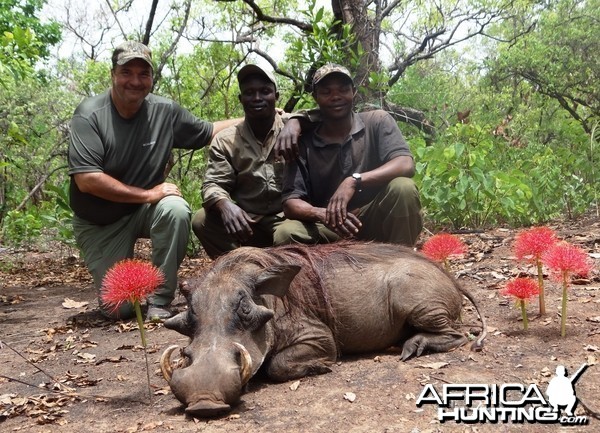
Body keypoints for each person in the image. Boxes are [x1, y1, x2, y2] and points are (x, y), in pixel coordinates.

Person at [67, 41, 240, 321]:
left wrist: (258, 117)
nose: (135, 81)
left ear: (151, 78)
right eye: (126, 72)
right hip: (100, 221)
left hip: (143, 211)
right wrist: (148, 194)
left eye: (143, 73)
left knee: (175, 209)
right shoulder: (90, 115)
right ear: (113, 74)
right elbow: (87, 180)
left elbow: (208, 131)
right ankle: (126, 288)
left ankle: (160, 300)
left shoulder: (164, 111)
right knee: (119, 309)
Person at [278, 63, 423, 246]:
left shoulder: (377, 121)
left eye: (343, 89)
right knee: (286, 233)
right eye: (326, 92)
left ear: (353, 92)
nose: (336, 97)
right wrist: (323, 214)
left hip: (372, 217)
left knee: (404, 188)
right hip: (330, 227)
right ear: (315, 97)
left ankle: (403, 263)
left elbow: (405, 164)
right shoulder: (303, 141)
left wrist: (354, 180)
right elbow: (291, 203)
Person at [192, 64, 293, 257]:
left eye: (265, 91)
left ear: (276, 96)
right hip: (248, 222)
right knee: (201, 220)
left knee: (288, 234)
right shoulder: (226, 140)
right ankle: (239, 269)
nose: (257, 98)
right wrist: (224, 204)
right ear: (241, 99)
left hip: (287, 220)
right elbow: (213, 183)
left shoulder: (294, 129)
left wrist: (296, 122)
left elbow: (320, 116)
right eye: (249, 93)